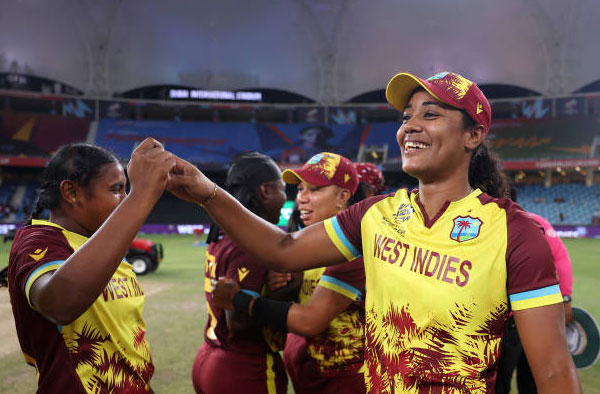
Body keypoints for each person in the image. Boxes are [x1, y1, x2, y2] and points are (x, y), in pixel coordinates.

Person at [166, 71, 581, 393]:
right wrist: (208, 192)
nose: (409, 127)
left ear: (474, 135)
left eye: (430, 114)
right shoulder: (375, 215)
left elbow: (553, 370)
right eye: (406, 117)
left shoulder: (515, 232)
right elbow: (282, 248)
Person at [7, 138, 173, 393]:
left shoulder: (101, 245)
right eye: (116, 189)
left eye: (127, 190)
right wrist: (141, 196)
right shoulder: (39, 240)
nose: (124, 199)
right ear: (71, 192)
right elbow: (59, 304)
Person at [220, 152, 368, 393]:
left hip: (347, 382)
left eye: (315, 189)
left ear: (343, 196)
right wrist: (287, 285)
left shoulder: (353, 250)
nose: (302, 199)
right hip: (312, 376)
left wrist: (240, 300)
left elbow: (310, 321)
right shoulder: (309, 245)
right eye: (300, 189)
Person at [191, 152, 289, 394]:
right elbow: (238, 322)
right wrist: (286, 291)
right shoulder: (252, 243)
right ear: (266, 191)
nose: (286, 197)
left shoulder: (222, 233)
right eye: (282, 189)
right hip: (244, 366)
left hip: (210, 355)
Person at [495, 185, 574, 394]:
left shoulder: (494, 226)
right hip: (540, 321)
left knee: (498, 383)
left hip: (507, 325)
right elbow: (561, 259)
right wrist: (565, 298)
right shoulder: (536, 223)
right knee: (535, 382)